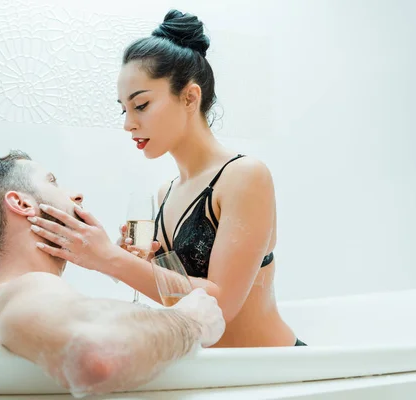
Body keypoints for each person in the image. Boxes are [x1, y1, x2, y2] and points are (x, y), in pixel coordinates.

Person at [28, 9, 305, 348]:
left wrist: (108, 259)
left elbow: (220, 306)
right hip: (216, 374)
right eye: (123, 109)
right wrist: (132, 261)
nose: (128, 123)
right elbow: (180, 300)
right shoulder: (164, 193)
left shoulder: (245, 176)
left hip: (275, 371)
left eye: (141, 105)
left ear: (190, 97)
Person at [0, 150, 226, 398]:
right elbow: (97, 355)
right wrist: (190, 322)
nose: (77, 196)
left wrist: (111, 261)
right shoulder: (28, 287)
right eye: (52, 181)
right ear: (22, 204)